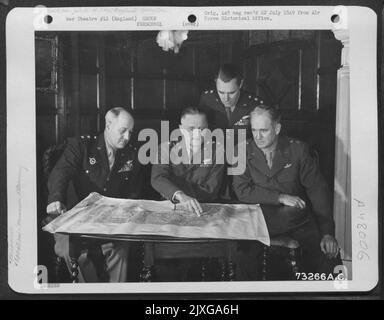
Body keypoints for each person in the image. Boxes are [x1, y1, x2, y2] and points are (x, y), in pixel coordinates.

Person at [233, 104, 341, 277]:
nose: (258, 136)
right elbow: (242, 190)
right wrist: (280, 197)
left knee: (328, 256)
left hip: (296, 220)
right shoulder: (241, 151)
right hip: (258, 221)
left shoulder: (298, 150)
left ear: (277, 128)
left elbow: (317, 191)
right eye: (254, 130)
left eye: (264, 130)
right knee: (243, 261)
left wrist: (327, 232)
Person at [46, 107, 143, 282]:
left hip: (112, 219)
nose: (127, 137)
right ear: (108, 125)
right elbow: (61, 172)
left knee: (121, 249)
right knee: (74, 252)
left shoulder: (133, 153)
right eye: (123, 131)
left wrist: (128, 210)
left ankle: (116, 294)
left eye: (130, 132)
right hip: (76, 218)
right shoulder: (82, 145)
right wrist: (56, 199)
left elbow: (134, 190)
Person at [151, 106, 225, 216]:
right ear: (181, 129)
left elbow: (211, 189)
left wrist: (176, 189)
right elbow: (158, 179)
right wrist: (180, 195)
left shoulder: (217, 151)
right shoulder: (166, 148)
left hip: (202, 208)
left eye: (201, 129)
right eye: (191, 129)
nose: (196, 134)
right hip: (170, 206)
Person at [199, 63, 264, 132]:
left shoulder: (254, 104)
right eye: (221, 92)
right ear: (216, 83)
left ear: (241, 84)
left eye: (231, 93)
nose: (226, 99)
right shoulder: (207, 99)